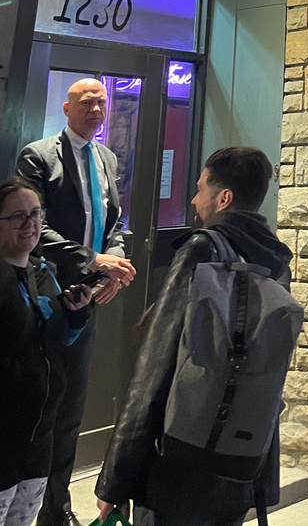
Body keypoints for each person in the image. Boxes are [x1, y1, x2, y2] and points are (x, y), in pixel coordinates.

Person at [96, 147, 293, 526]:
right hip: (238, 463)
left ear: (224, 198)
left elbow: (154, 371)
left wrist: (115, 481)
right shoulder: (273, 259)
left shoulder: (202, 249)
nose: (193, 198)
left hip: (177, 466)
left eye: (201, 188)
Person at [17, 79, 138, 526]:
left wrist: (114, 266)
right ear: (66, 108)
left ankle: (57, 508)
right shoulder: (39, 155)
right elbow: (34, 230)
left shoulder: (106, 158)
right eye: (86, 102)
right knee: (39, 406)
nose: (95, 108)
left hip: (88, 300)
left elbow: (116, 223)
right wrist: (92, 259)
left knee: (71, 411)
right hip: (46, 299)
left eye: (101, 101)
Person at [0, 178, 93, 526]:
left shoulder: (42, 274)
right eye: (17, 217)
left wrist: (76, 314)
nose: (30, 224)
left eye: (36, 214)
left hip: (38, 443)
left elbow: (55, 346)